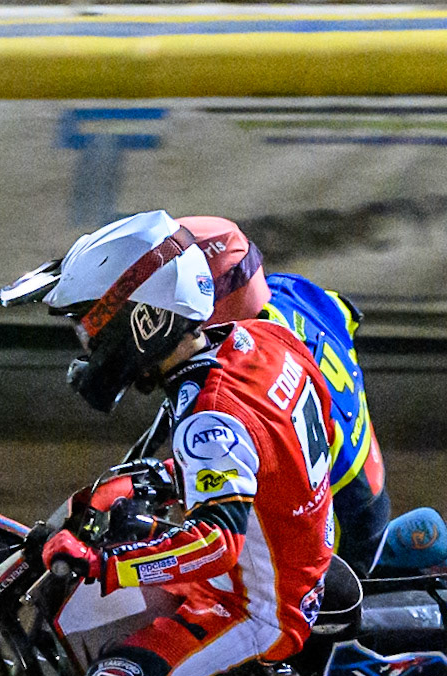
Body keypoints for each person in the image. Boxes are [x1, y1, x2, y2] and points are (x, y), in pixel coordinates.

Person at [0, 209, 337, 676]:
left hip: (257, 604)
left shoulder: (211, 416)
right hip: (296, 548)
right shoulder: (260, 338)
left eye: (93, 323)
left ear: (147, 321)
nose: (88, 340)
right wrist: (166, 486)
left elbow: (217, 542)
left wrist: (108, 564)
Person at [157, 217, 392, 574]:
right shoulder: (292, 291)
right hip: (367, 479)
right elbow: (345, 314)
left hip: (341, 527)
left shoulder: (246, 371)